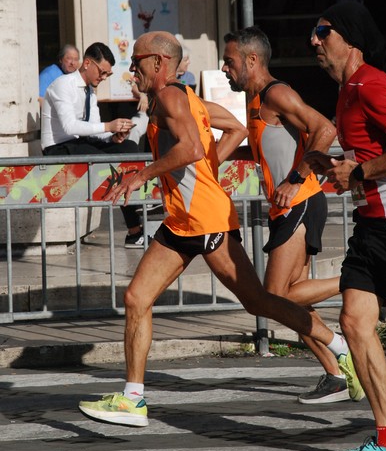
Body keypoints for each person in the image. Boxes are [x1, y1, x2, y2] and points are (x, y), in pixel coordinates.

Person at [78, 30, 361, 429]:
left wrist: (141, 175)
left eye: (136, 61)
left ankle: (339, 346)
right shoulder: (191, 99)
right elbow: (235, 131)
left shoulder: (172, 97)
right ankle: (132, 399)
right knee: (136, 297)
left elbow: (192, 148)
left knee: (260, 301)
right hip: (181, 221)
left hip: (207, 221)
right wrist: (203, 172)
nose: (131, 70)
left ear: (159, 63)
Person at [221, 26, 361, 405]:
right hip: (286, 208)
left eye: (230, 61)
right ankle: (335, 375)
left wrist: (295, 177)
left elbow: (324, 128)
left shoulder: (276, 94)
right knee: (292, 303)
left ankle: (361, 280)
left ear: (252, 60)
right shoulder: (253, 102)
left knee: (274, 295)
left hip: (301, 201)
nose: (224, 68)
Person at [306, 1, 386, 451]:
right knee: (354, 322)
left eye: (323, 32)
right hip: (370, 226)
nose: (314, 41)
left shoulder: (372, 84)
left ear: (348, 38)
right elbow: (360, 159)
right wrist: (333, 169)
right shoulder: (346, 92)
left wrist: (360, 171)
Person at [41, 42, 145, 248]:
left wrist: (113, 137)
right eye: (102, 72)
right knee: (105, 160)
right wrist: (108, 126)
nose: (104, 77)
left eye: (108, 74)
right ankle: (134, 229)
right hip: (60, 147)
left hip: (81, 143)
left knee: (129, 149)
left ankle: (139, 214)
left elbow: (95, 131)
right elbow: (70, 127)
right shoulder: (63, 85)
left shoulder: (90, 91)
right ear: (87, 63)